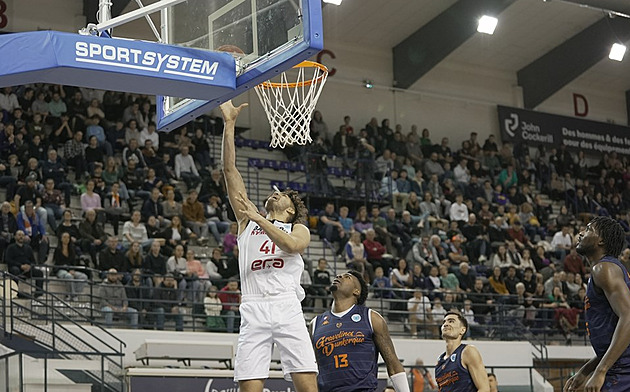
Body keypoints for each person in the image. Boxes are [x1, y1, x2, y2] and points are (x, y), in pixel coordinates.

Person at [220, 100, 318, 391]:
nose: (276, 194)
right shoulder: (248, 220)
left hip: (286, 305)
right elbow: (230, 171)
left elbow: (291, 245)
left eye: (284, 195)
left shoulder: (296, 227)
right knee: (249, 386)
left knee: (307, 386)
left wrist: (259, 219)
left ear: (290, 210)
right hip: (253, 306)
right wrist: (229, 124)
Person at [311, 270, 410, 392]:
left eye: (347, 277)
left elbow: (393, 365)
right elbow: (312, 369)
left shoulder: (371, 318)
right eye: (339, 275)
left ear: (356, 291)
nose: (339, 276)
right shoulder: (315, 323)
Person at [564, 217, 630, 392]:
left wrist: (601, 370)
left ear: (601, 240)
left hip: (622, 371)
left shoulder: (603, 269)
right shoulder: (609, 269)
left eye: (588, 229)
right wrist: (587, 370)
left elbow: (629, 317)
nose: (580, 233)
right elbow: (614, 335)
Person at [435, 311, 490, 392]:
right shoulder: (439, 361)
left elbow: (484, 389)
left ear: (462, 330)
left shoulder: (468, 351)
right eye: (444, 322)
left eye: (451, 321)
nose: (445, 324)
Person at [6, 230, 44, 297]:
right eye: (19, 235)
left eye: (22, 235)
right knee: (15, 270)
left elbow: (33, 261)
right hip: (16, 267)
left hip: (27, 269)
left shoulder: (28, 248)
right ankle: (15, 292)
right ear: (15, 237)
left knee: (39, 273)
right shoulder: (10, 247)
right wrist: (20, 266)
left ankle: (38, 294)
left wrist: (29, 266)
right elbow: (8, 260)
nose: (21, 237)